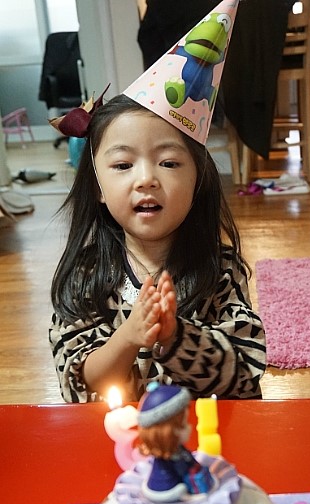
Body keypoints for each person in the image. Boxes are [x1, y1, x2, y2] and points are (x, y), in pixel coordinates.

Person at [49, 92, 266, 402]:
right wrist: (129, 336)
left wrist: (176, 336)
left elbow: (243, 373)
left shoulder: (220, 269)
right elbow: (81, 382)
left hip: (203, 430)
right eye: (123, 165)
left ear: (198, 179)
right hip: (122, 432)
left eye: (168, 163)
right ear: (97, 186)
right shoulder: (86, 275)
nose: (146, 179)